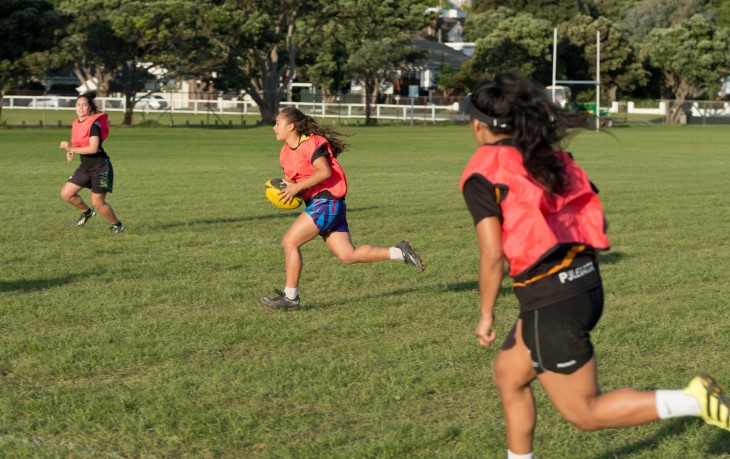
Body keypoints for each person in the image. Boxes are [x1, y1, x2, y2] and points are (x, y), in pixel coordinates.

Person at [459, 72, 729, 458]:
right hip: (584, 285)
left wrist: (485, 313)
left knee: (585, 413)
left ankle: (694, 399)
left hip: (550, 299)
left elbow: (493, 254)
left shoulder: (483, 170)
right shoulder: (545, 157)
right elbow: (594, 218)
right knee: (509, 375)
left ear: (478, 125)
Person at [261, 107, 424, 310]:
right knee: (348, 255)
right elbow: (290, 180)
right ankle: (400, 252)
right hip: (321, 204)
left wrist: (298, 187)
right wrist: (279, 194)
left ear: (291, 126)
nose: (274, 127)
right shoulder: (285, 152)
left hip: (327, 201)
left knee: (289, 241)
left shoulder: (312, 143)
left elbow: (324, 172)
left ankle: (291, 297)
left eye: (278, 123)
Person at [59, 93, 124, 234]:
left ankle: (117, 225)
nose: (81, 108)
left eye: (84, 105)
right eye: (78, 105)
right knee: (66, 194)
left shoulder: (94, 125)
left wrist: (71, 148)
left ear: (90, 107)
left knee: (98, 203)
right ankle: (87, 212)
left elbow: (93, 148)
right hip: (85, 167)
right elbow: (79, 144)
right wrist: (71, 151)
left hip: (101, 168)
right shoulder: (76, 123)